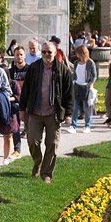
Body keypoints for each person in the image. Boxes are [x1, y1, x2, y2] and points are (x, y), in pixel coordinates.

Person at [19, 41, 73, 183]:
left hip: (53, 113)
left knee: (52, 144)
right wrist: (22, 109)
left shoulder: (62, 70)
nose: (46, 54)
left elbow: (68, 93)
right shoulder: (34, 68)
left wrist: (68, 113)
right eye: (43, 52)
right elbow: (26, 90)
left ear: (55, 53)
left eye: (49, 52)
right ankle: (38, 161)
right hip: (35, 112)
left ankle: (46, 174)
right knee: (33, 141)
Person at [67, 45, 97, 134]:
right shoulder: (76, 62)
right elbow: (75, 74)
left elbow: (94, 75)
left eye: (77, 53)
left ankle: (87, 126)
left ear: (82, 53)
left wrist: (90, 84)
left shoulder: (90, 62)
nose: (76, 55)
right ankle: (73, 126)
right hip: (77, 86)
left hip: (86, 87)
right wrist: (73, 82)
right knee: (75, 107)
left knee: (87, 108)